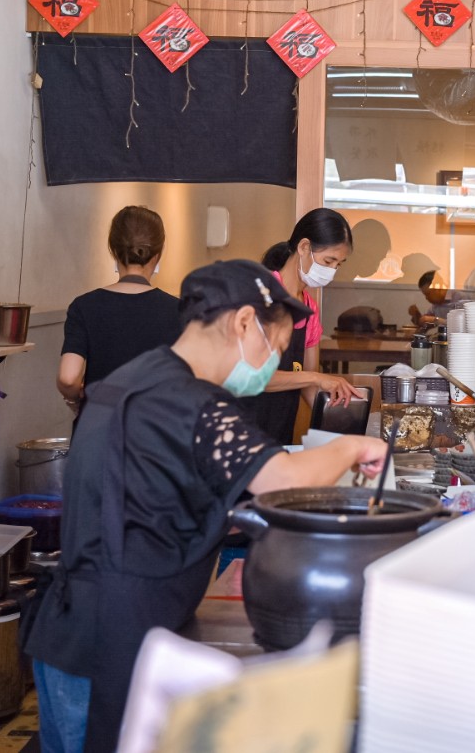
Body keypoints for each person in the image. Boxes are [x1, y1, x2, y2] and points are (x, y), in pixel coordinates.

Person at [23, 260, 390, 753]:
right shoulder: (189, 401)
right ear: (242, 323)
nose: (272, 363)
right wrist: (352, 449)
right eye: (276, 346)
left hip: (75, 629)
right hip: (105, 641)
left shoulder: (137, 377)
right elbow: (281, 479)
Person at [255, 208, 365, 444]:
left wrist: (343, 420)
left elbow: (308, 388)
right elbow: (257, 378)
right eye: (328, 261)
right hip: (241, 431)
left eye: (339, 264)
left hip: (280, 433)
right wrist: (316, 378)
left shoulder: (309, 309)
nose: (332, 271)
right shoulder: (260, 297)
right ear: (304, 247)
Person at [57, 206, 180, 416]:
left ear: (113, 250)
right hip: (158, 434)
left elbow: (68, 377)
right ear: (158, 255)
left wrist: (77, 400)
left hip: (98, 431)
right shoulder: (180, 310)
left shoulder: (84, 306)